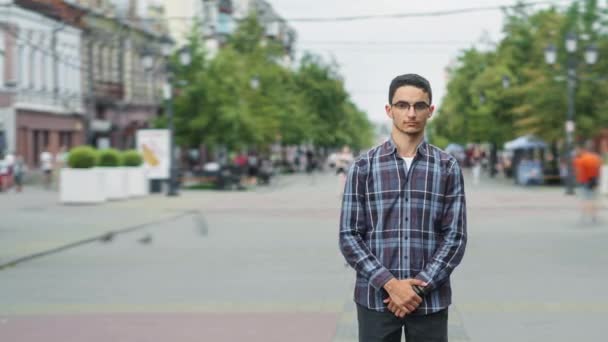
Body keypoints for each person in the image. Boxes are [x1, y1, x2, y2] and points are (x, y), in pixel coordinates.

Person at [339, 74, 467, 342]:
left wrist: (418, 289)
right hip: (376, 299)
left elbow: (454, 236)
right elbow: (349, 235)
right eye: (402, 105)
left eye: (419, 106)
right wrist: (390, 284)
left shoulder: (447, 167)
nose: (411, 113)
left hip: (430, 300)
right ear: (389, 110)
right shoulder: (364, 167)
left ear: (430, 111)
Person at [573, 144, 602, 223]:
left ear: (584, 150)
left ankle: (584, 215)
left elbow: (578, 171)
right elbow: (599, 169)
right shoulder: (597, 158)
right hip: (594, 180)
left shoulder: (580, 159)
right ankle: (594, 216)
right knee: (593, 199)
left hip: (584, 181)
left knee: (585, 199)